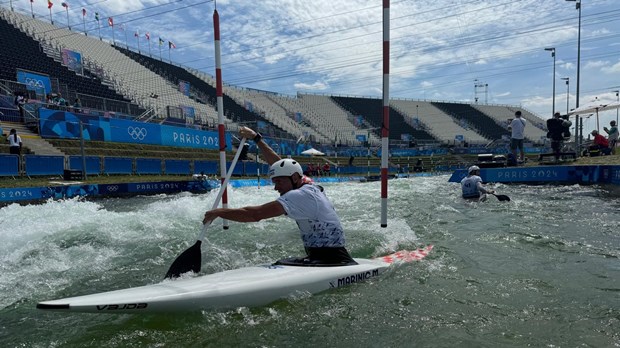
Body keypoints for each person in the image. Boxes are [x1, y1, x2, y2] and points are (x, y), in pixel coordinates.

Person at [202, 126, 357, 266]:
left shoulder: (300, 195)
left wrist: (219, 212)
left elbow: (256, 214)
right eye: (274, 182)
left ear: (295, 178)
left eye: (279, 182)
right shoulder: (308, 186)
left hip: (331, 260)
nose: (276, 187)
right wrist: (257, 139)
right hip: (327, 256)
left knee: (278, 263)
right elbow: (281, 165)